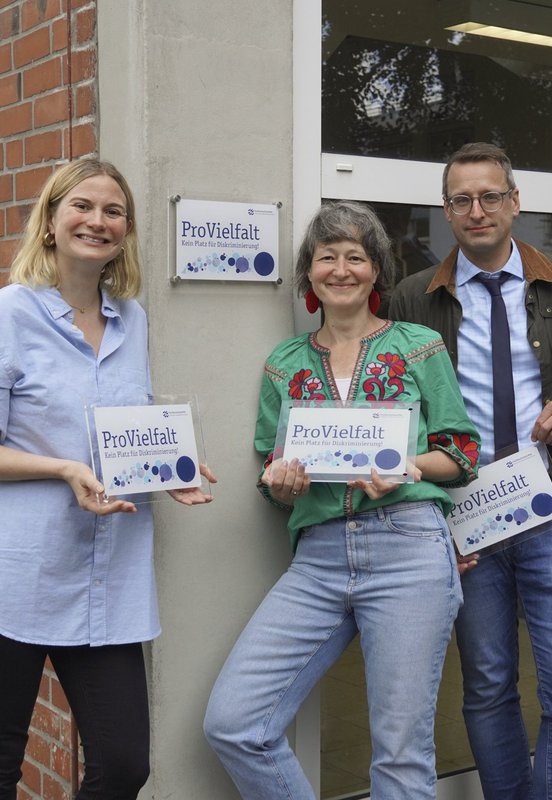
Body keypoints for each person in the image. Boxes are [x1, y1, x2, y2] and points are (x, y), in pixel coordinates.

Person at [203, 200, 480, 799]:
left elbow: (459, 452)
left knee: (401, 754)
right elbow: (271, 470)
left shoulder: (418, 346)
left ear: (377, 269)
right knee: (235, 723)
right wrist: (279, 484)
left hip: (409, 546)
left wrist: (406, 469)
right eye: (327, 257)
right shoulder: (285, 364)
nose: (341, 268)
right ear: (309, 274)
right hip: (319, 557)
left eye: (356, 256)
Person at [389, 142, 552, 800]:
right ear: (447, 212)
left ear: (514, 203)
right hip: (468, 523)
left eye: (491, 195)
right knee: (489, 686)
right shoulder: (415, 297)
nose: (477, 210)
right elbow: (402, 412)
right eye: (462, 199)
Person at [0, 158, 216, 800]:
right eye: (83, 206)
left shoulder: (133, 319)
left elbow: (126, 432)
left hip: (107, 577)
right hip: (19, 571)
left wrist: (167, 467)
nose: (98, 221)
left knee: (124, 766)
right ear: (51, 221)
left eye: (113, 211)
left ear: (125, 231)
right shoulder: (10, 314)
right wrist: (64, 468)